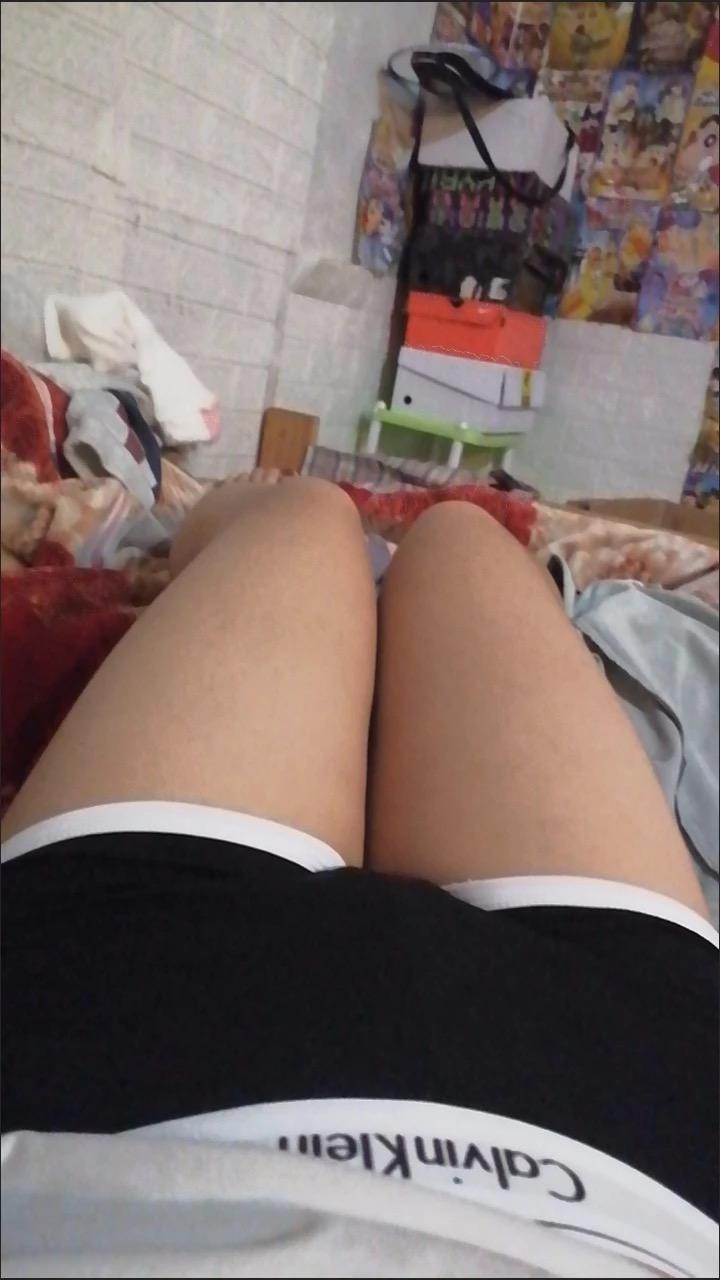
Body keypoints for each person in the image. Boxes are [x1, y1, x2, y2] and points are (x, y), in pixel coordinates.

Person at [2, 473, 717, 1277]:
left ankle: (242, 539)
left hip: (106, 1071)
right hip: (650, 1152)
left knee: (310, 517)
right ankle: (346, 575)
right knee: (463, 537)